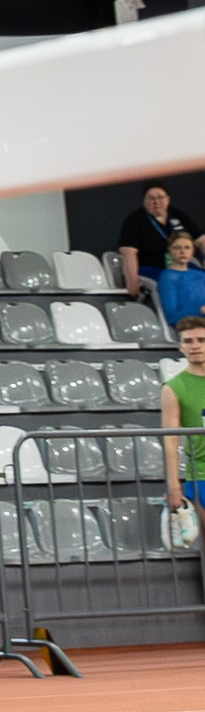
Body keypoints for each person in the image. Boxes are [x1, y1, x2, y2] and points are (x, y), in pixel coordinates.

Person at [117, 184, 200, 304]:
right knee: (176, 280)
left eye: (160, 197)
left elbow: (201, 240)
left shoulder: (177, 215)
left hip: (181, 264)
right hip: (151, 268)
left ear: (168, 199)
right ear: (144, 201)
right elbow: (129, 253)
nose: (157, 202)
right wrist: (132, 283)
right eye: (151, 198)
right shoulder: (134, 220)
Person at [163, 316, 205, 522]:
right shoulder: (173, 388)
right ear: (180, 347)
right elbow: (171, 440)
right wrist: (174, 486)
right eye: (188, 341)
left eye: (201, 340)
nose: (195, 346)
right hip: (201, 475)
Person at [155, 233, 205, 326]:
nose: (182, 251)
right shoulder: (168, 278)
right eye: (177, 248)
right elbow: (171, 316)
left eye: (187, 248)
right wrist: (200, 310)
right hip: (188, 327)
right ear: (170, 250)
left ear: (192, 251)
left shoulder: (201, 276)